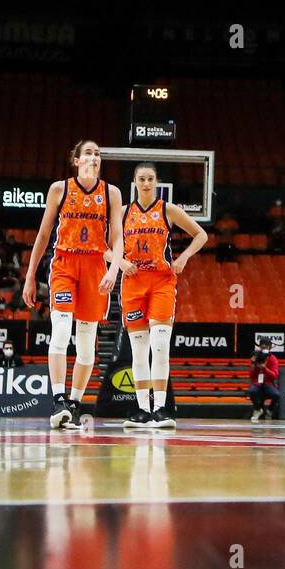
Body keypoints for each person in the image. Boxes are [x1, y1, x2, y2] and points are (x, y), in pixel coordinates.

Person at [23, 139, 124, 430]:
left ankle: (75, 404)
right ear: (76, 161)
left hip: (95, 267)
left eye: (97, 154)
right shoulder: (59, 188)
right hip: (65, 264)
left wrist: (113, 269)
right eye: (88, 153)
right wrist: (31, 275)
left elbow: (117, 238)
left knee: (86, 344)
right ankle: (57, 399)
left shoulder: (111, 193)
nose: (94, 157)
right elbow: (43, 235)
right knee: (61, 329)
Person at [109, 162, 207, 428]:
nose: (146, 183)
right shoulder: (122, 212)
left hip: (162, 282)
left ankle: (161, 409)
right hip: (132, 283)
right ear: (135, 182)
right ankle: (142, 409)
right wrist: (119, 262)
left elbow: (201, 235)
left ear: (157, 182)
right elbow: (102, 246)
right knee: (139, 351)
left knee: (160, 346)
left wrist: (184, 257)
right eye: (141, 179)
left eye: (150, 179)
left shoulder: (168, 210)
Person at [249, 338, 282, 422]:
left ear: (269, 347)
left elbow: (274, 376)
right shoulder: (256, 357)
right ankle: (257, 410)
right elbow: (251, 375)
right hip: (257, 382)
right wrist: (254, 364)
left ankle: (269, 411)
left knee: (276, 395)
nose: (264, 348)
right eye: (262, 346)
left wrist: (265, 369)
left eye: (266, 346)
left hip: (268, 383)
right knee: (252, 391)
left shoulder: (273, 359)